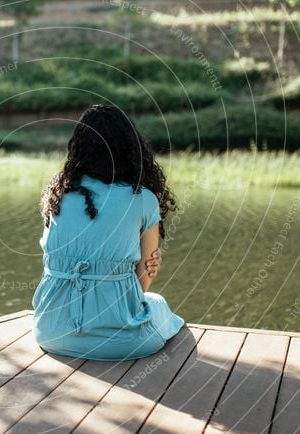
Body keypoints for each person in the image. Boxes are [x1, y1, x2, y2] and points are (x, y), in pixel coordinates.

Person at [32, 104, 186, 361]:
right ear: (130, 147)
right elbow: (140, 286)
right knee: (158, 305)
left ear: (77, 148)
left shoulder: (56, 195)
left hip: (49, 333)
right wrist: (151, 269)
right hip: (122, 343)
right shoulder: (143, 199)